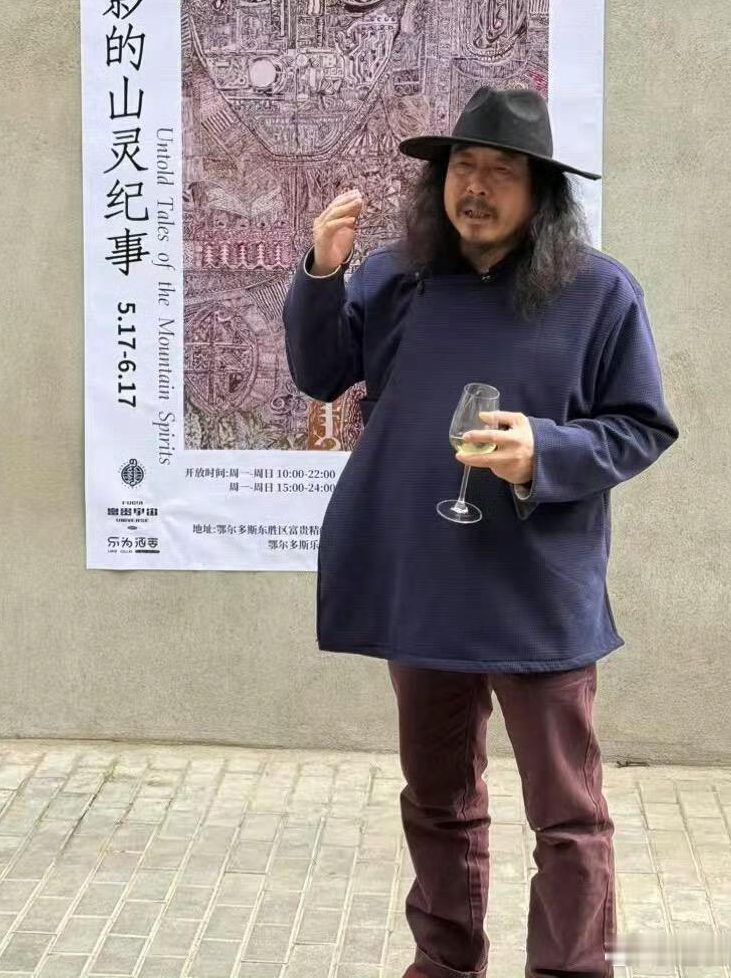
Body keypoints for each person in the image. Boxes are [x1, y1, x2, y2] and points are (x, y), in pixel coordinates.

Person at [283, 85, 678, 978]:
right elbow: (320, 373)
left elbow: (639, 427)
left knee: (566, 815)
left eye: (503, 171)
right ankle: (446, 962)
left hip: (535, 585)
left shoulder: (597, 292)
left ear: (541, 192)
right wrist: (322, 273)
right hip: (422, 576)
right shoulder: (396, 277)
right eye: (464, 165)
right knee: (436, 799)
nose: (477, 186)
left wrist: (547, 450)